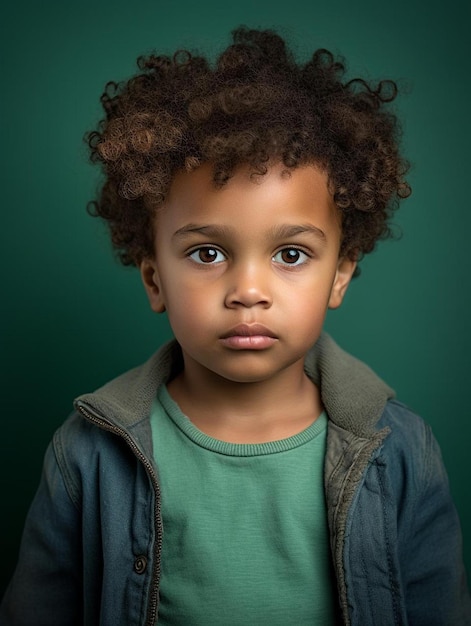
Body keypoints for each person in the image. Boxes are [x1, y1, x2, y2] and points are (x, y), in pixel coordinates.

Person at [1, 26, 469, 626]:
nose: (248, 291)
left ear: (339, 277)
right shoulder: (87, 455)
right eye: (207, 253)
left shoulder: (402, 453)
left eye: (291, 255)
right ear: (154, 280)